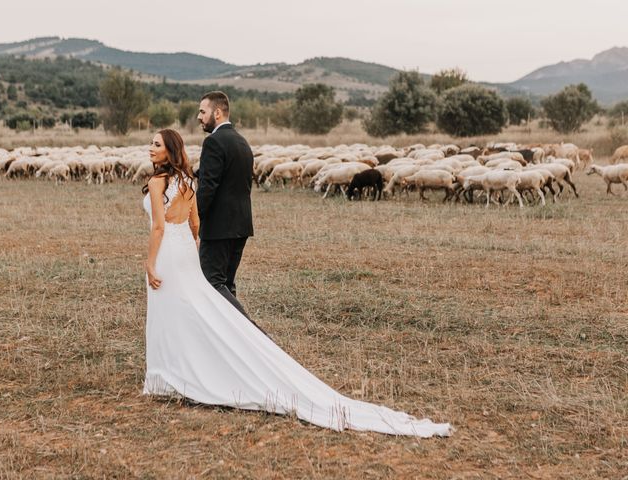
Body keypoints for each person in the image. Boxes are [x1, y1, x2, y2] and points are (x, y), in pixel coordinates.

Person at [142, 128, 451, 437]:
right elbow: (195, 224)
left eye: (157, 144)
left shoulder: (159, 183)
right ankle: (179, 370)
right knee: (191, 309)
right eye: (152, 144)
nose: (151, 148)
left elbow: (158, 228)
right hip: (184, 249)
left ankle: (166, 374)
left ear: (170, 150)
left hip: (168, 251)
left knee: (170, 311)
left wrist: (150, 261)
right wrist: (189, 249)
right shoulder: (188, 181)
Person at [196, 91, 253, 322]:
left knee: (212, 282)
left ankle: (251, 332)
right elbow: (226, 176)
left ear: (217, 113)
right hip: (241, 225)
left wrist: (193, 219)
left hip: (219, 227)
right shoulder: (241, 141)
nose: (199, 117)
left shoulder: (213, 141)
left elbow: (208, 187)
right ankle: (232, 339)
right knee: (227, 285)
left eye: (202, 111)